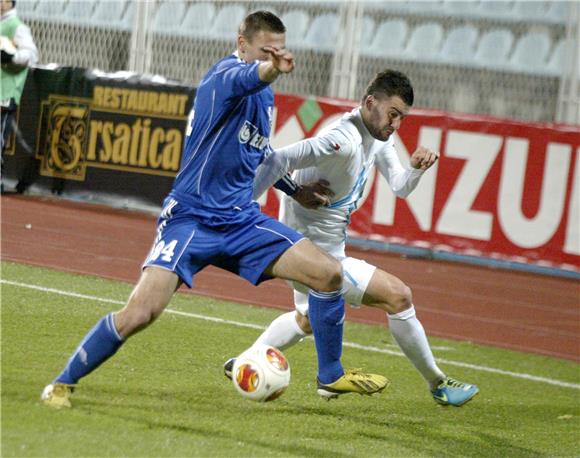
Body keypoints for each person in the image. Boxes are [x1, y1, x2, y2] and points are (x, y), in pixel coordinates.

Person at [41, 11, 388, 409]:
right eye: (265, 50)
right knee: (140, 313)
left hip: (240, 220)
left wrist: (295, 190)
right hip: (191, 219)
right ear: (243, 44)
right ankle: (62, 384)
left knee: (328, 274)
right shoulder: (223, 76)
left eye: (279, 50)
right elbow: (246, 78)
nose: (273, 57)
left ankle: (331, 375)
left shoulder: (264, 96)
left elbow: (258, 152)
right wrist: (270, 70)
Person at [224, 69, 479, 407]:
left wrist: (416, 169)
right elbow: (277, 159)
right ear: (369, 103)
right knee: (399, 296)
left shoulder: (379, 138)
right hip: (312, 256)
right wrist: (248, 209)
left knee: (307, 319)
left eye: (402, 118)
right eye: (393, 114)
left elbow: (401, 187)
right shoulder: (341, 140)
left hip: (326, 250)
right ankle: (438, 383)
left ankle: (245, 361)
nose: (396, 124)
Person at [0, 0, 38, 191]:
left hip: (6, 91)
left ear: (9, 2)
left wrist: (11, 56)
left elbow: (32, 55)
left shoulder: (17, 27)